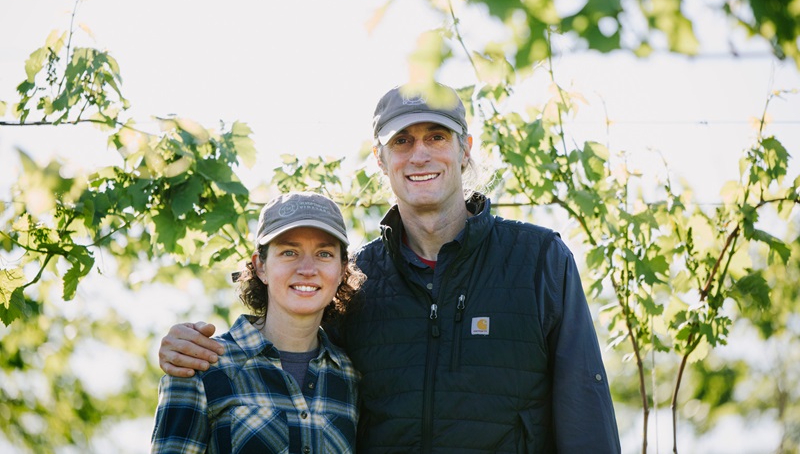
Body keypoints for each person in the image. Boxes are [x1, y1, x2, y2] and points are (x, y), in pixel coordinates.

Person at [158, 84, 622, 453]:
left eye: (436, 136)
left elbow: (586, 415)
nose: (419, 154)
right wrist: (188, 347)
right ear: (380, 159)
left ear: (465, 149)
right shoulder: (356, 280)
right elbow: (289, 357)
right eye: (402, 141)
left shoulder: (539, 261)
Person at [151, 191, 362, 453]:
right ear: (260, 266)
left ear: (342, 271)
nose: (307, 269)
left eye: (324, 254)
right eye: (289, 252)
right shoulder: (202, 365)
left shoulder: (350, 377)